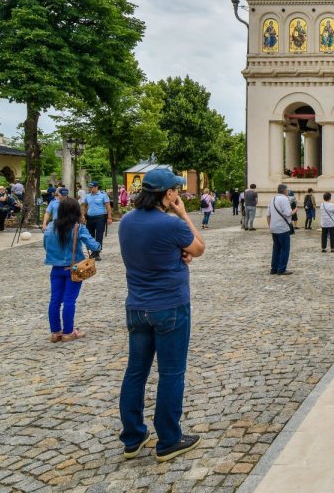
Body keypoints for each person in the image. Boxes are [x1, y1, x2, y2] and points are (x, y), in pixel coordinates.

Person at [117, 167, 206, 462]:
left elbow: (150, 251)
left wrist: (178, 254)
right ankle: (168, 439)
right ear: (168, 194)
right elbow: (199, 247)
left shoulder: (126, 222)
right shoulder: (171, 224)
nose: (178, 195)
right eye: (176, 191)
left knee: (135, 372)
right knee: (171, 373)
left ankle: (133, 437)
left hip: (137, 307)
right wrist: (184, 216)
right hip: (169, 306)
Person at [43, 197, 101, 343]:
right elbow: (94, 246)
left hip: (55, 269)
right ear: (76, 211)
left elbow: (46, 245)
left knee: (55, 300)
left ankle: (56, 333)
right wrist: (97, 245)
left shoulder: (50, 226)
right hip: (74, 269)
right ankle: (68, 332)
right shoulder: (78, 227)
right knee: (69, 300)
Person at [267, 183, 295, 275]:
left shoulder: (273, 199)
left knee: (276, 248)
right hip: (282, 227)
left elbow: (268, 215)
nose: (288, 191)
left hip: (273, 227)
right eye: (287, 190)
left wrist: (270, 226)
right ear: (284, 191)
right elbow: (288, 213)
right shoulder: (284, 199)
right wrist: (294, 211)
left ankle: (274, 268)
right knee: (285, 248)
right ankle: (282, 269)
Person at [83, 181, 112, 259]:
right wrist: (83, 215)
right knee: (90, 235)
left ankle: (97, 252)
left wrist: (109, 217)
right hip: (90, 217)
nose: (90, 188)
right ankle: (93, 251)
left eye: (91, 187)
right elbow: (85, 206)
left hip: (100, 217)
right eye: (89, 187)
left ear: (96, 187)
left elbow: (108, 206)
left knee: (99, 235)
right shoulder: (87, 196)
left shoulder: (103, 195)